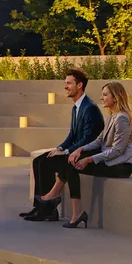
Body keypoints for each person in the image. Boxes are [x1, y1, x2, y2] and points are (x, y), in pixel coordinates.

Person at [41, 82, 132, 227]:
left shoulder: (122, 118)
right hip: (110, 161)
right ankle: (72, 208)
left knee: (74, 166)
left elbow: (118, 150)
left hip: (121, 166)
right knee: (72, 161)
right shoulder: (112, 117)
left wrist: (90, 159)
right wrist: (80, 150)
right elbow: (99, 141)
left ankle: (62, 201)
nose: (102, 98)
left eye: (105, 94)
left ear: (115, 98)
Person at [21, 69, 101, 222]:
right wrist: (59, 148)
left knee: (46, 162)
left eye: (69, 83)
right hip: (74, 151)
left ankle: (48, 210)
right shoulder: (76, 107)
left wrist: (67, 151)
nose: (66, 87)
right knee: (39, 160)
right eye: (65, 83)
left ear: (80, 85)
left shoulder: (89, 108)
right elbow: (72, 134)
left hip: (85, 154)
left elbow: (88, 139)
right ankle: (40, 207)